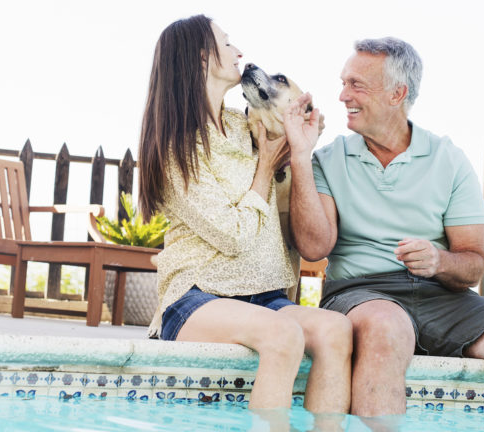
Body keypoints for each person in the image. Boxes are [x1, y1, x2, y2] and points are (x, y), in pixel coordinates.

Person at [284, 36, 484, 423]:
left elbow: (473, 265)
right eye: (344, 82)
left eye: (356, 84)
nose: (343, 95)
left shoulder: (448, 159)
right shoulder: (328, 159)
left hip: (443, 299)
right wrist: (300, 154)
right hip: (362, 294)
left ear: (398, 93)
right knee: (387, 326)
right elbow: (313, 247)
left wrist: (439, 261)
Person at [136, 14, 352, 413]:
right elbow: (234, 236)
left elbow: (285, 124)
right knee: (284, 334)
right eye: (227, 43)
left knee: (335, 329)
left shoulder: (243, 125)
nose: (239, 52)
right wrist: (265, 169)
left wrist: (303, 137)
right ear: (202, 58)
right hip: (197, 297)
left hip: (263, 299)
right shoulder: (176, 148)